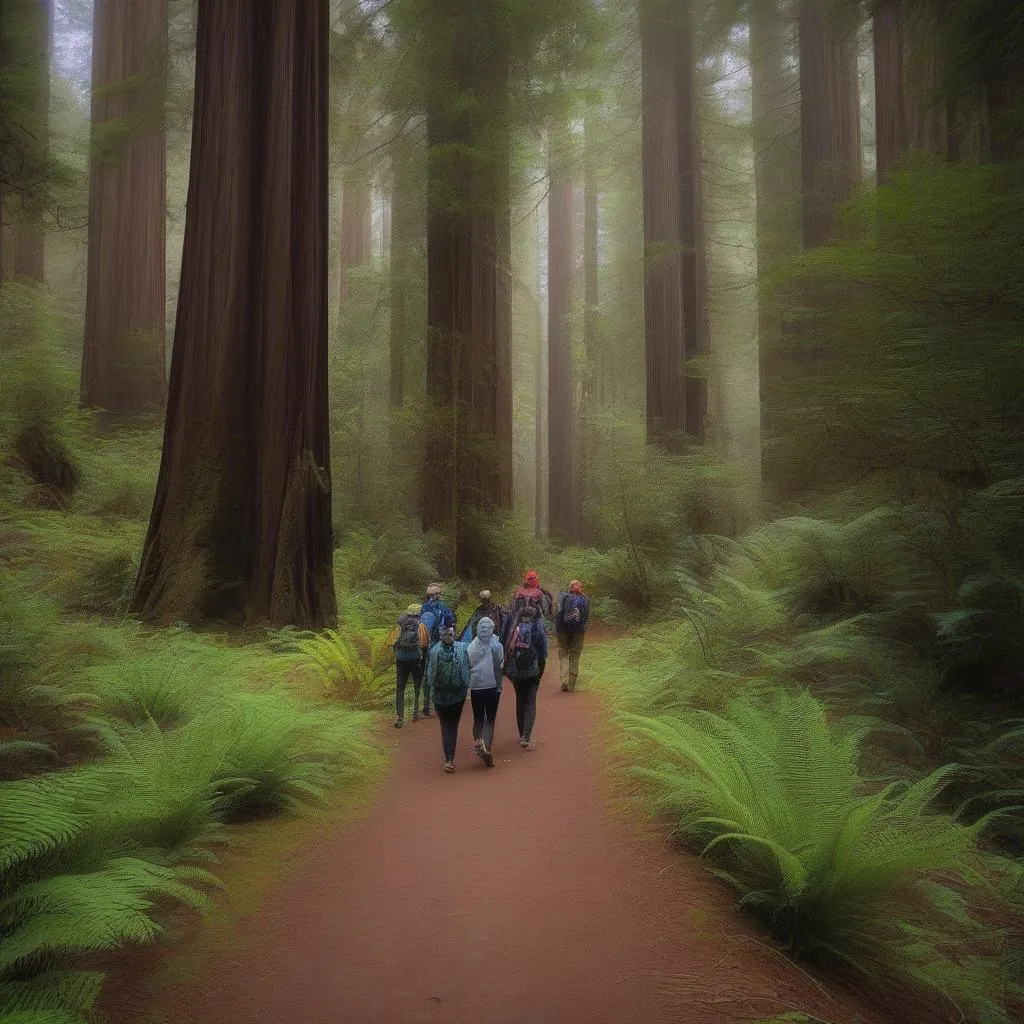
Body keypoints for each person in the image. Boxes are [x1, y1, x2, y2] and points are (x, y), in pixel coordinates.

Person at [425, 626, 470, 773]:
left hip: (447, 694)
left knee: (448, 725)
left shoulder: (435, 651)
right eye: (447, 634)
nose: (448, 636)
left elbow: (430, 676)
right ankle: (449, 757)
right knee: (450, 725)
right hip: (451, 694)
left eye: (450, 634)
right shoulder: (461, 648)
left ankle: (449, 757)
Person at [504, 606, 548, 749]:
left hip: (516, 671)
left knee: (520, 700)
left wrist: (507, 670)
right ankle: (526, 736)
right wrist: (540, 671)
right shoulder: (538, 630)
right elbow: (543, 653)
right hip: (533, 671)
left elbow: (508, 649)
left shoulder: (514, 629)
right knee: (530, 702)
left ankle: (521, 731)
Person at [466, 616, 504, 767]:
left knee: (478, 718)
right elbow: (501, 662)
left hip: (476, 686)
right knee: (490, 719)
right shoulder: (497, 645)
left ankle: (478, 741)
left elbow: (468, 663)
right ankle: (486, 746)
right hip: (493, 686)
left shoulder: (472, 646)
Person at [387, 603, 430, 727]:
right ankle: (415, 711)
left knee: (400, 687)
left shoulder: (399, 625)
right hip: (415, 659)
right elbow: (424, 643)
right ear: (419, 612)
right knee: (417, 685)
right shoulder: (421, 626)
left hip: (401, 659)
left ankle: (400, 716)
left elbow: (392, 642)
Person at [419, 583, 456, 717]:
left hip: (427, 645)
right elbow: (451, 623)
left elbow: (421, 626)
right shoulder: (444, 607)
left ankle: (426, 707)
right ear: (437, 594)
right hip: (440, 644)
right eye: (438, 593)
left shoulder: (423, 608)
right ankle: (440, 705)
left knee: (428, 675)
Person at [554, 580, 590, 693]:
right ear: (580, 588)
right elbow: (586, 617)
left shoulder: (563, 597)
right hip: (578, 632)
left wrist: (558, 629)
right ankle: (571, 685)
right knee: (575, 655)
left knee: (563, 652)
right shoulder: (585, 599)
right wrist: (582, 629)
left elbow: (559, 613)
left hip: (563, 631)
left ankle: (564, 681)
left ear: (570, 587)